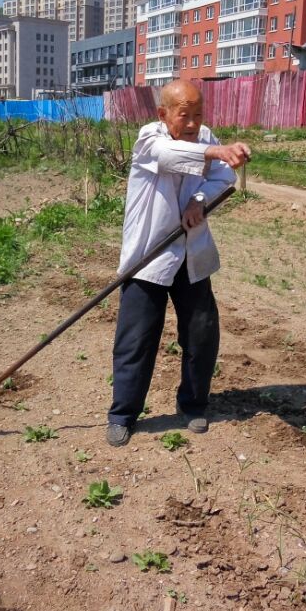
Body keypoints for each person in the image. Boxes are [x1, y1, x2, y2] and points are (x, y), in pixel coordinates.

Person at [107, 79, 251, 447]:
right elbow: (171, 156)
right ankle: (123, 414)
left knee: (202, 334)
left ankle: (194, 404)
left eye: (198, 114)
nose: (192, 123)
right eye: (183, 115)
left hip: (190, 254)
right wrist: (215, 151)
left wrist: (198, 199)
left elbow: (222, 177)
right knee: (136, 339)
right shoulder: (148, 138)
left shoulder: (204, 136)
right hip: (148, 257)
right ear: (163, 113)